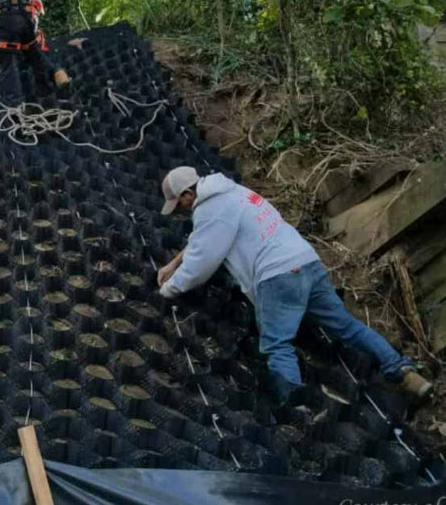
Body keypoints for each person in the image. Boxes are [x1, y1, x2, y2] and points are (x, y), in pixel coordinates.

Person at [156, 166, 433, 403]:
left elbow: (201, 263)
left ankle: (296, 413)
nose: (180, 212)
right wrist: (173, 264)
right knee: (346, 326)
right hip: (307, 264)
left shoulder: (210, 209)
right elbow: (204, 239)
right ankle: (403, 372)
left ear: (188, 194)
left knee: (277, 346)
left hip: (277, 275)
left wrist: (168, 289)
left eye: (178, 205)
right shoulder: (231, 192)